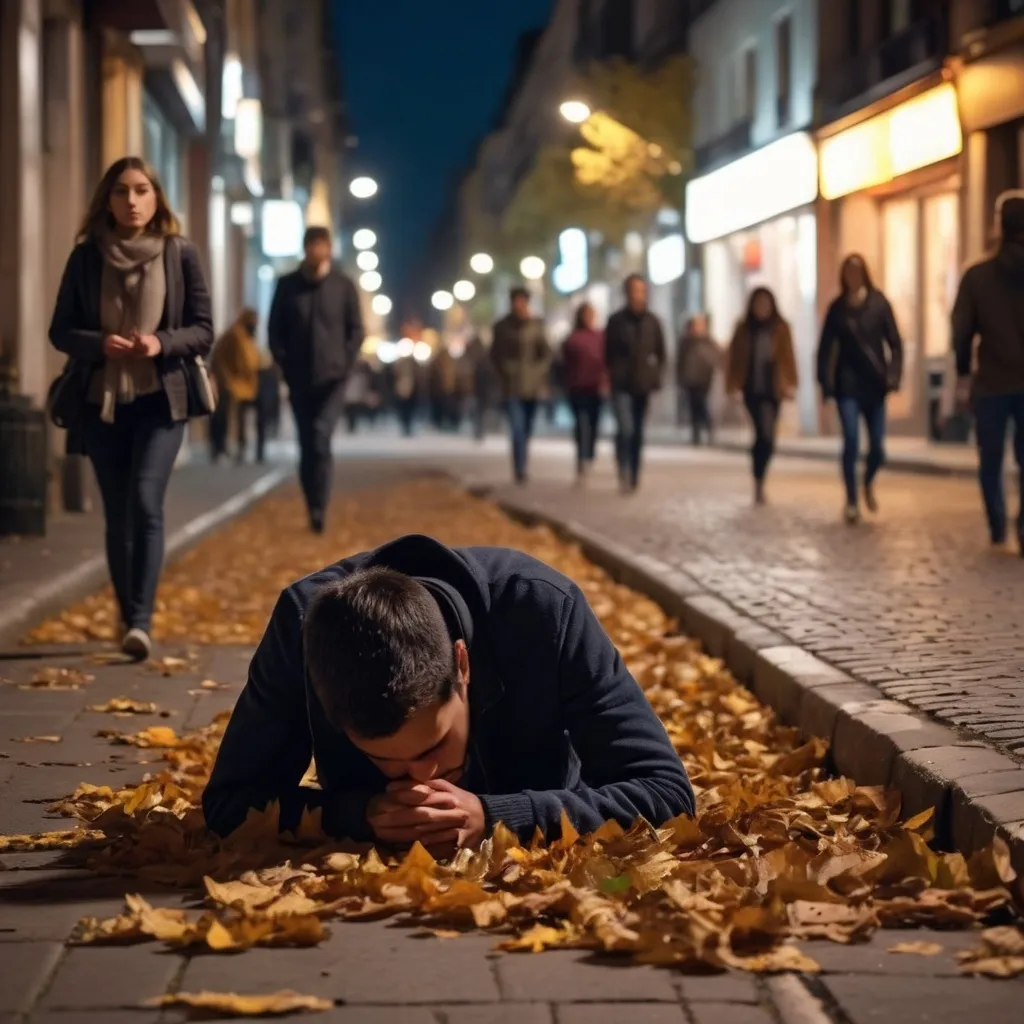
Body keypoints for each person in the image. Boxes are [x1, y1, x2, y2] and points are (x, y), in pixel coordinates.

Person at [202, 535, 695, 851]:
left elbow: (668, 793)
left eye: (435, 746)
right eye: (387, 763)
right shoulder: (302, 629)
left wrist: (500, 816)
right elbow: (230, 803)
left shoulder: (543, 609)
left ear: (463, 665)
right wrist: (359, 815)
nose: (422, 779)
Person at [48, 156, 213, 661]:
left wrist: (159, 344)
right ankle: (128, 615)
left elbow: (204, 329)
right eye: (122, 192)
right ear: (108, 200)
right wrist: (101, 344)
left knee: (145, 501)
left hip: (162, 400)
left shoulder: (178, 253)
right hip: (103, 402)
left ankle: (141, 618)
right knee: (117, 513)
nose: (133, 201)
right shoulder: (86, 258)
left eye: (142, 190)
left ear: (157, 197)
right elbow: (59, 330)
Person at [269, 226, 364, 534]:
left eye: (322, 245)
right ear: (305, 248)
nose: (316, 251)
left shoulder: (343, 285)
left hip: (333, 378)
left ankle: (320, 506)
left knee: (321, 436)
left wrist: (346, 361)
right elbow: (275, 329)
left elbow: (356, 329)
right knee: (307, 443)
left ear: (329, 249)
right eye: (311, 246)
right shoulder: (287, 286)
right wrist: (283, 362)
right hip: (299, 377)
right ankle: (311, 503)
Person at [951, 193, 1024, 555]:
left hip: (992, 382)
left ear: (999, 225)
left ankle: (997, 527)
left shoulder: (977, 275)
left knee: (991, 458)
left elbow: (961, 331)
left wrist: (963, 376)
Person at [817, 255, 903, 525]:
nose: (853, 278)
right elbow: (824, 349)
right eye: (848, 273)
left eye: (857, 273)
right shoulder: (838, 309)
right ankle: (852, 500)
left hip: (874, 385)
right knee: (851, 440)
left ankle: (868, 481)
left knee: (877, 446)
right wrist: (826, 384)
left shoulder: (879, 303)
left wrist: (893, 376)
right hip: (847, 386)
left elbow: (895, 343)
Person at [725, 287, 798, 505]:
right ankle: (758, 480)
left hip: (773, 388)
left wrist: (791, 382)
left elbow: (788, 357)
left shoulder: (781, 328)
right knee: (762, 432)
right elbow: (734, 359)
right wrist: (733, 386)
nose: (762, 308)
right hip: (752, 389)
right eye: (758, 304)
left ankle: (760, 476)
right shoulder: (744, 329)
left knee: (768, 437)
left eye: (766, 304)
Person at [605, 275, 666, 493]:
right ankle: (622, 465)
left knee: (638, 431)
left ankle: (634, 473)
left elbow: (661, 352)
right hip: (621, 383)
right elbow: (607, 353)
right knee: (626, 428)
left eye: (641, 290)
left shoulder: (653, 321)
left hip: (643, 383)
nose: (637, 294)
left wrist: (655, 374)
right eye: (633, 290)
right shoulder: (616, 321)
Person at [491, 287, 552, 483]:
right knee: (516, 427)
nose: (519, 305)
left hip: (532, 386)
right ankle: (519, 468)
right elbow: (495, 355)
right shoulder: (502, 327)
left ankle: (523, 460)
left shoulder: (536, 325)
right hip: (511, 385)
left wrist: (538, 372)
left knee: (526, 427)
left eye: (522, 301)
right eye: (515, 301)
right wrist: (505, 370)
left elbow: (546, 353)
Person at [210, 308, 263, 464]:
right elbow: (222, 358)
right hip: (230, 383)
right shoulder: (235, 335)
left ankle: (240, 446)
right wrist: (224, 378)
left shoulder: (248, 337)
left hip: (245, 385)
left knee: (241, 417)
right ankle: (220, 447)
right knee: (223, 416)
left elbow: (252, 360)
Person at [562, 302, 606, 483]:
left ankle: (590, 454)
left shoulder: (600, 337)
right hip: (577, 387)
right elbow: (563, 364)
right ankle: (581, 457)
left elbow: (606, 360)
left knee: (594, 423)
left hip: (596, 387)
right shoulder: (572, 339)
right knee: (581, 423)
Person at [676, 314, 719, 445]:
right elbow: (680, 361)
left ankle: (708, 427)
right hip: (689, 379)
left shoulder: (709, 342)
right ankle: (696, 433)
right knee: (693, 407)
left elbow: (714, 359)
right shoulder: (685, 342)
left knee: (702, 405)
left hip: (704, 379)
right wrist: (680, 377)